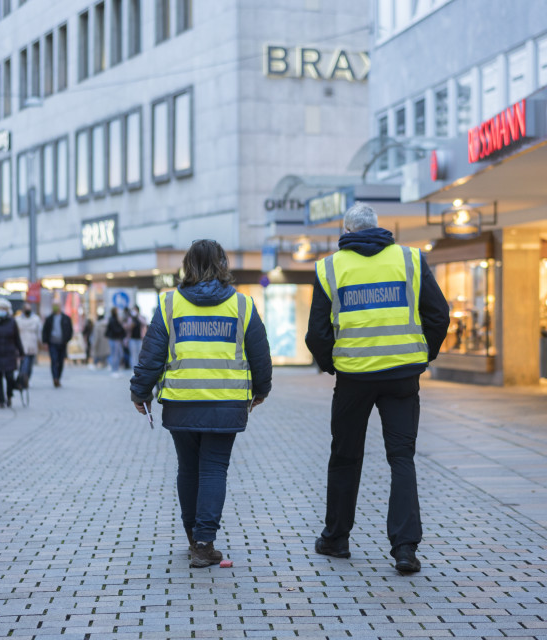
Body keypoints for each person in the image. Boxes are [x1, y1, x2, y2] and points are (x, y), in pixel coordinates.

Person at [305, 202, 450, 574]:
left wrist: (333, 365)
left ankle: (336, 539)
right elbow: (438, 315)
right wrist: (422, 356)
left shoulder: (330, 267)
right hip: (402, 377)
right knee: (401, 458)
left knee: (345, 457)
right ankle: (405, 549)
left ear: (347, 232)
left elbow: (317, 333)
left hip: (353, 379)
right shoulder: (410, 260)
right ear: (378, 228)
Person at [130, 239, 273, 568]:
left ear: (187, 265)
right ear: (223, 264)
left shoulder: (170, 304)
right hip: (226, 405)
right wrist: (261, 389)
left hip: (182, 404)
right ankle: (205, 542)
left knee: (188, 468)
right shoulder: (243, 305)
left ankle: (193, 536)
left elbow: (151, 356)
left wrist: (141, 393)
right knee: (213, 469)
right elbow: (260, 355)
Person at [42, 303, 73, 387]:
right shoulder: (49, 318)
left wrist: (67, 339)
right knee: (54, 360)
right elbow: (45, 331)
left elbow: (70, 330)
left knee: (61, 361)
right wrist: (45, 342)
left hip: (62, 343)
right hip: (52, 343)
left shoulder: (66, 318)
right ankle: (55, 378)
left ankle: (58, 377)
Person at [15, 303, 42, 384]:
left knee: (29, 365)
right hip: (22, 345)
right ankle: (22, 380)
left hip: (32, 345)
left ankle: (26, 379)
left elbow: (39, 332)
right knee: (24, 364)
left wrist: (40, 342)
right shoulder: (18, 319)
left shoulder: (36, 319)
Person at [105, 307, 126, 378]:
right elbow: (116, 329)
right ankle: (114, 370)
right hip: (114, 339)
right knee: (115, 355)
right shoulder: (113, 320)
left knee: (119, 354)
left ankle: (116, 369)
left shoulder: (115, 319)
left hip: (116, 339)